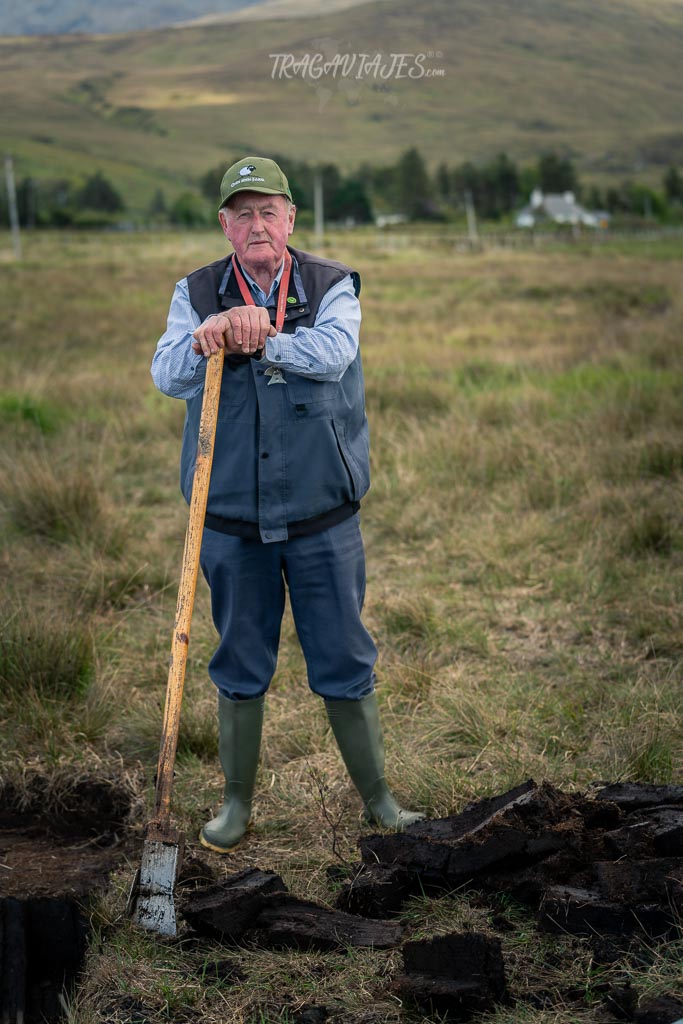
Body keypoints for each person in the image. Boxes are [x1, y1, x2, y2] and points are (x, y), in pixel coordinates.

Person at [151, 156, 424, 853]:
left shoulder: (332, 285)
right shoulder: (197, 289)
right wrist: (203, 336)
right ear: (224, 224)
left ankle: (380, 802)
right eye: (241, 213)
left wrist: (262, 331)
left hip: (320, 516)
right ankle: (235, 807)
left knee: (342, 657)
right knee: (239, 662)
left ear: (291, 218)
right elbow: (166, 375)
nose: (256, 224)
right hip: (228, 519)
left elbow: (334, 354)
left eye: (267, 210)